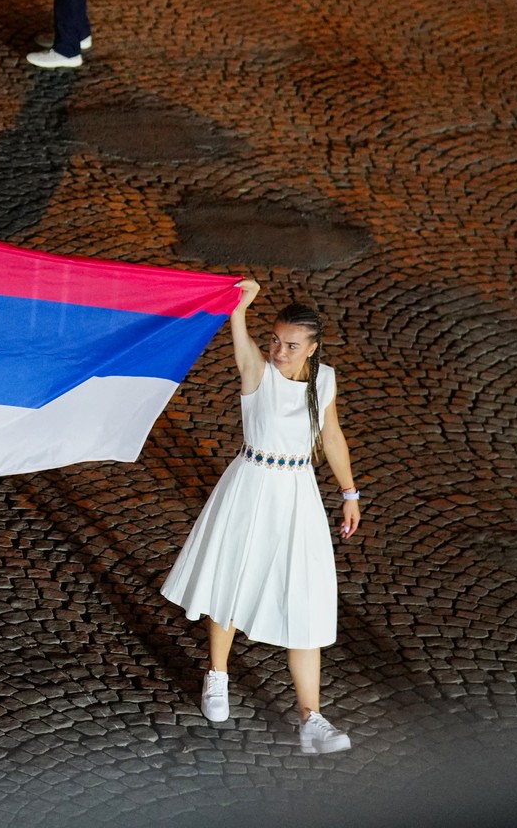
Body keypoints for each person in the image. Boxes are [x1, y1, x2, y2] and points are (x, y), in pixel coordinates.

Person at [161, 279, 362, 755]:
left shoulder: (325, 379)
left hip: (297, 494)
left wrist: (350, 492)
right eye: (275, 340)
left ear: (313, 348)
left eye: (292, 345)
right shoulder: (257, 371)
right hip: (250, 486)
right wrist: (241, 303)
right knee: (230, 579)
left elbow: (330, 437)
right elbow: (240, 331)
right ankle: (217, 674)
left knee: (305, 596)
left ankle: (310, 717)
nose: (279, 350)